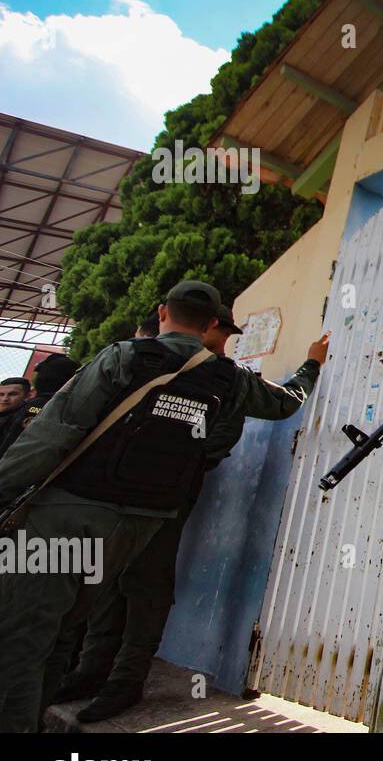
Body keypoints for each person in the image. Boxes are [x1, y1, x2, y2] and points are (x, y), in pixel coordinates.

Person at [0, 281, 325, 732]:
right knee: (58, 632)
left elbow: (55, 430)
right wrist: (312, 364)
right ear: (212, 323)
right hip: (142, 521)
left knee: (23, 637)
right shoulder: (227, 378)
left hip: (71, 512)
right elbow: (286, 402)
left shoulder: (126, 356)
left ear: (161, 312)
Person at [0, 377, 33, 458]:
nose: (4, 399)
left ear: (28, 396)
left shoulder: (22, 419)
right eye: (1, 394)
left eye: (12, 394)